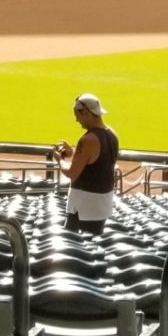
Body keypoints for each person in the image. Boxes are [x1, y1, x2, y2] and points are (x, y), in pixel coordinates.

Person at [54, 93, 118, 236]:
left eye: (77, 115)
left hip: (83, 208)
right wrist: (73, 153)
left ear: (85, 112)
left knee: (76, 249)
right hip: (102, 205)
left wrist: (60, 159)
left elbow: (72, 173)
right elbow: (96, 162)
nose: (77, 120)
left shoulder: (88, 140)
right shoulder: (112, 134)